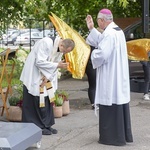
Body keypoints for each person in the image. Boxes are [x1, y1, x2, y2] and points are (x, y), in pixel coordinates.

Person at [85, 8, 133, 146]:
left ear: (102, 20)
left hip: (110, 75)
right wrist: (91, 29)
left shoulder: (110, 34)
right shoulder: (116, 31)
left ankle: (111, 137)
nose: (98, 24)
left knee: (110, 99)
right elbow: (102, 40)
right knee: (118, 100)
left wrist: (93, 55)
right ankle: (121, 135)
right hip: (118, 74)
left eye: (98, 22)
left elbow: (102, 53)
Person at [20, 36, 75, 135]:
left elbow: (54, 63)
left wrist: (48, 77)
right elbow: (39, 62)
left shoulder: (59, 48)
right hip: (34, 73)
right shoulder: (46, 43)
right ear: (61, 44)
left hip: (44, 75)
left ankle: (46, 124)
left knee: (47, 98)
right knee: (35, 99)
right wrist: (57, 66)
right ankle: (37, 127)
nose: (64, 53)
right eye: (65, 51)